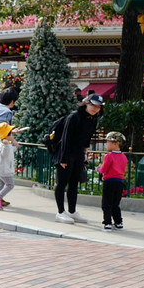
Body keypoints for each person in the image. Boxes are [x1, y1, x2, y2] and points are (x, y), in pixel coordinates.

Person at [53, 93, 104, 224]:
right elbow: (65, 138)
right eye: (92, 105)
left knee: (74, 184)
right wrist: (63, 159)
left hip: (78, 153)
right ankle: (60, 212)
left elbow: (87, 139)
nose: (95, 108)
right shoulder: (73, 117)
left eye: (98, 107)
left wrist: (85, 154)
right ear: (86, 103)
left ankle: (72, 211)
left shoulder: (93, 119)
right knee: (62, 183)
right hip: (66, 152)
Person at [97, 131, 127, 230]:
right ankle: (118, 222)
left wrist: (99, 169)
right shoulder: (123, 156)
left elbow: (104, 169)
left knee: (106, 203)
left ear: (116, 144)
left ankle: (107, 222)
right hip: (119, 182)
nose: (106, 144)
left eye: (108, 142)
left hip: (109, 181)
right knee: (115, 203)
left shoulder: (108, 156)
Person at [0, 122, 23, 210]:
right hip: (4, 170)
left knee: (0, 185)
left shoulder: (1, 143)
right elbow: (9, 152)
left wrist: (12, 137)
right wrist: (14, 142)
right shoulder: (6, 146)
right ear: (7, 135)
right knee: (10, 185)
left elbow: (8, 144)